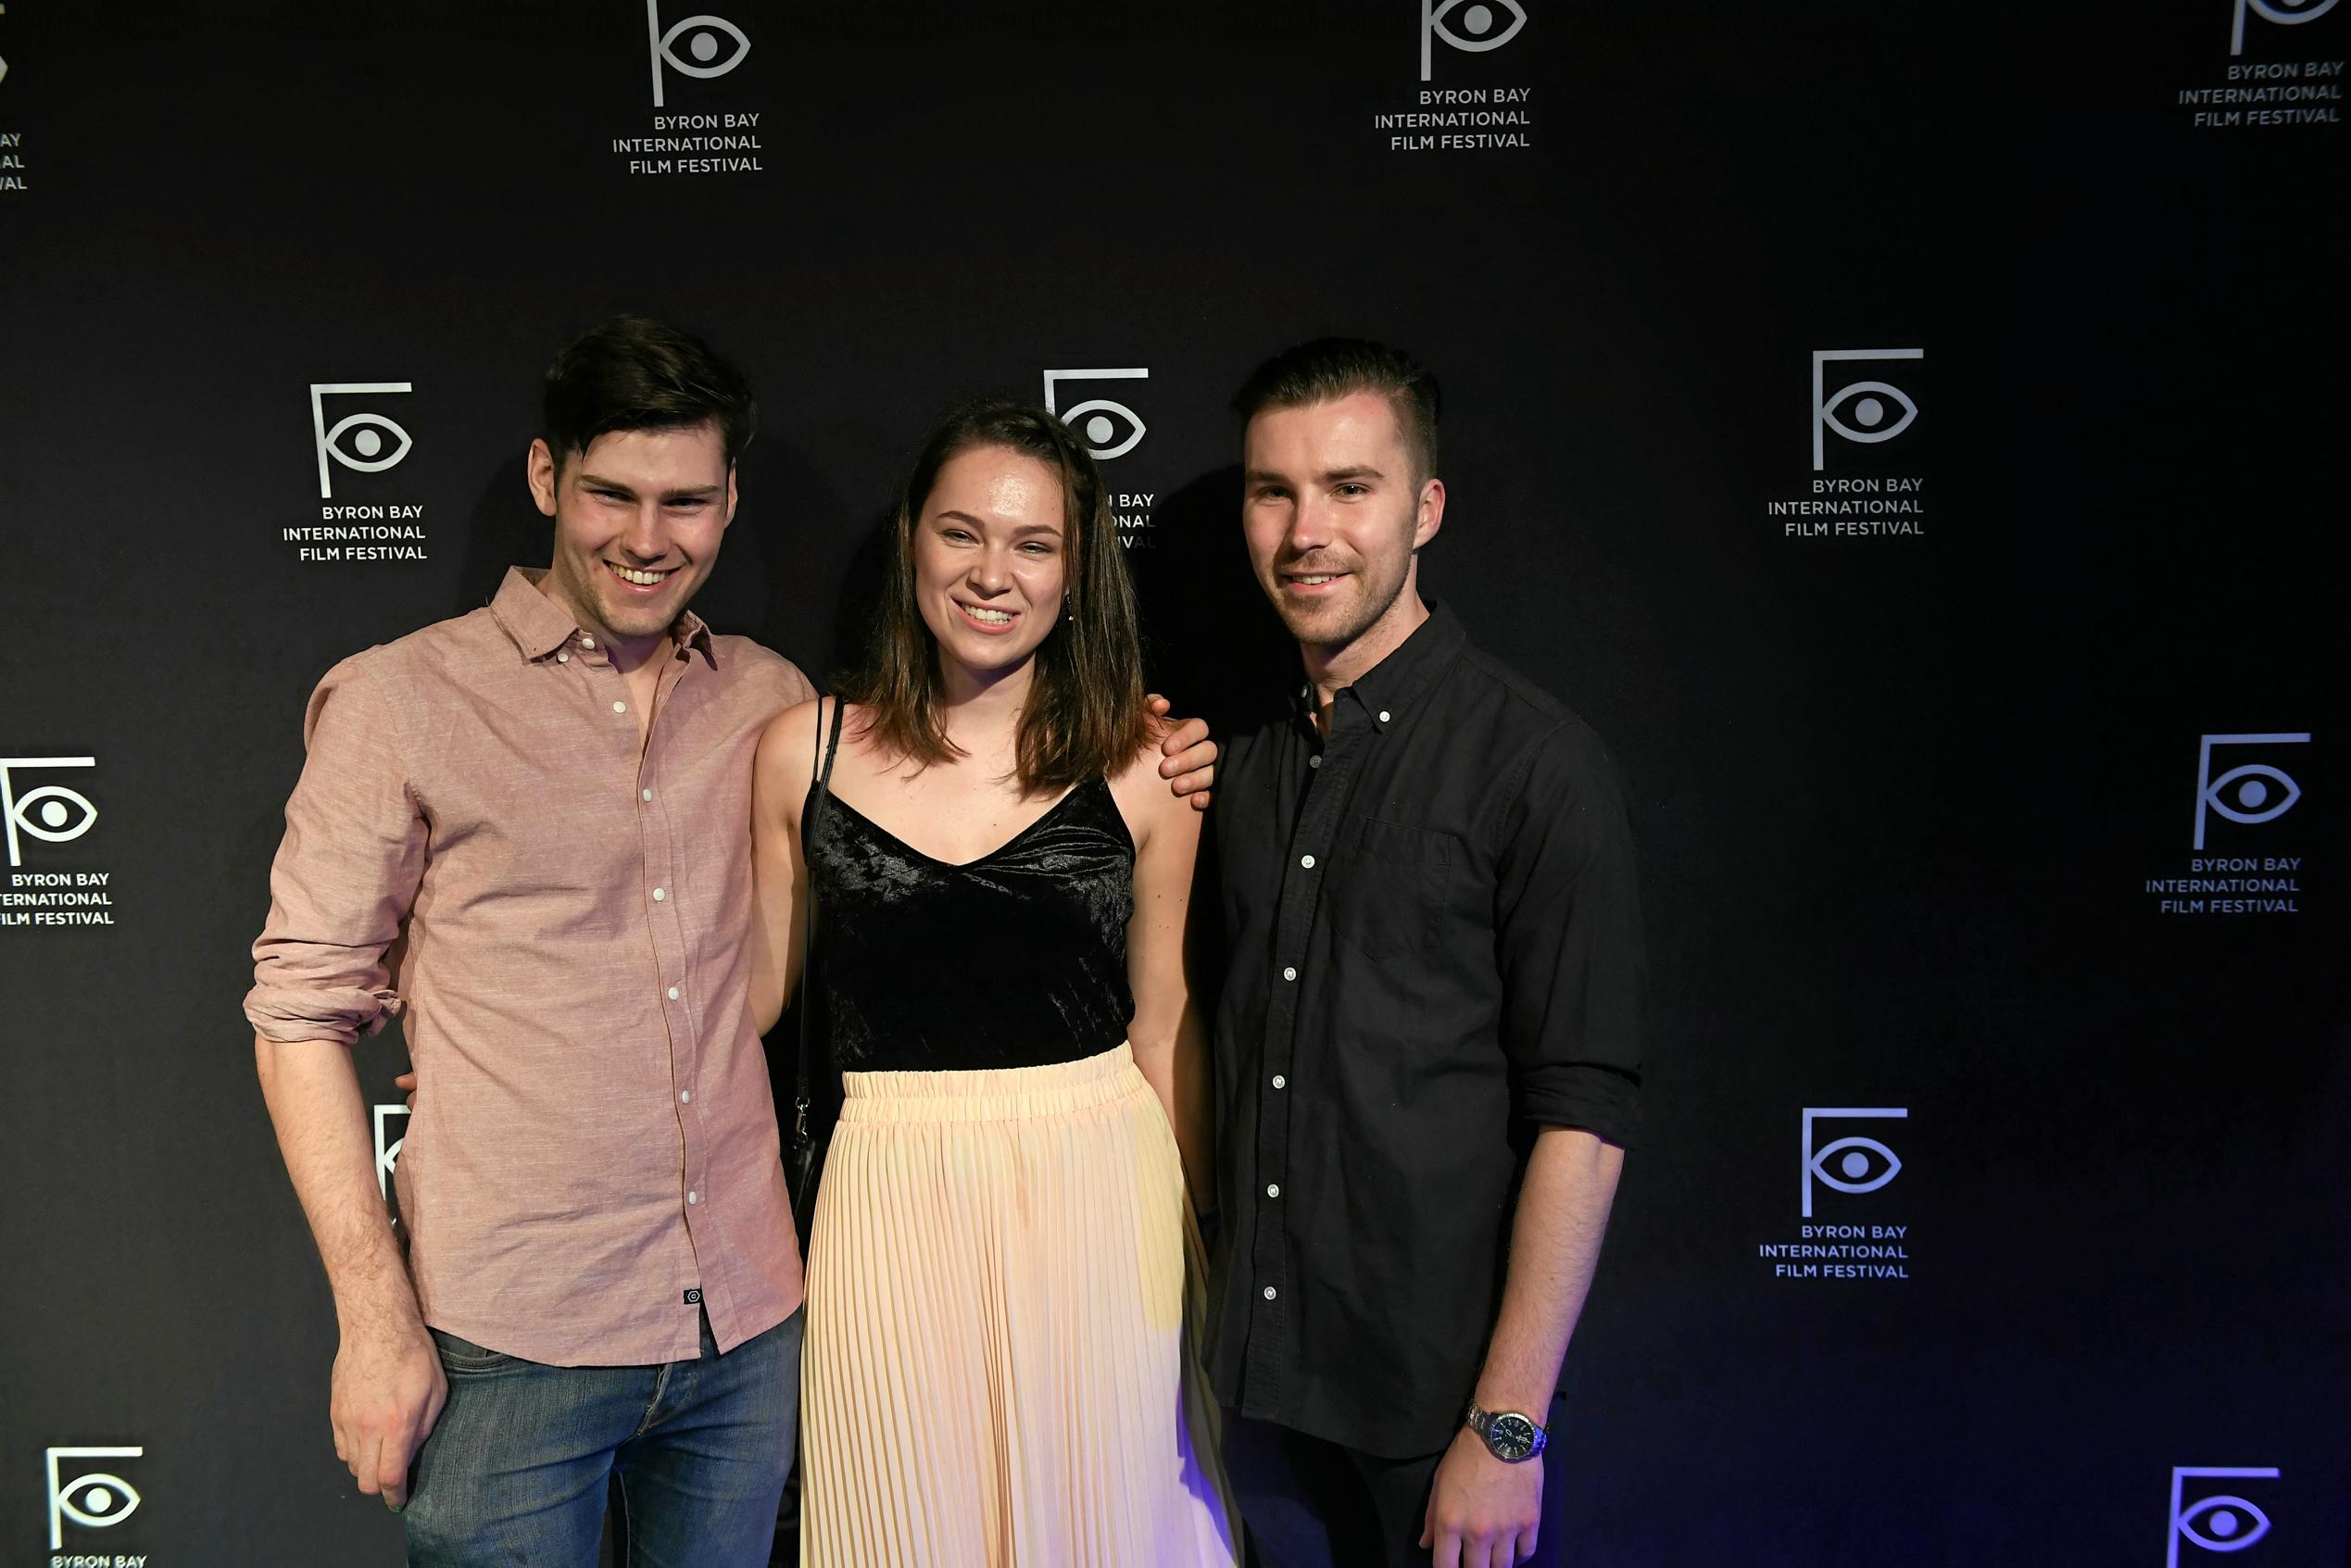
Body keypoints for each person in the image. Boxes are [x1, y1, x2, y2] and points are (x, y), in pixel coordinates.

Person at [245, 319, 1218, 1567]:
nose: (648, 537)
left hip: (747, 1329)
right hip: (515, 1336)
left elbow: (766, 973)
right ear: (548, 479)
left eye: (686, 502)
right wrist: (374, 1312)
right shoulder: (400, 702)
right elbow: (298, 1017)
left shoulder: (768, 702)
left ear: (728, 505)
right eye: (612, 494)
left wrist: (1137, 740)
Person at [747, 399, 1238, 1567]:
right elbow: (747, 1004)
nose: (992, 573)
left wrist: (1204, 1246)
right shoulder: (799, 750)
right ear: (913, 538)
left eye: (1034, 543)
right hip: (886, 1187)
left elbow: (1165, 1018)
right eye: (962, 533)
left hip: (1100, 1189)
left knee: (1107, 1523)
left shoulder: (1149, 763)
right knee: (898, 1521)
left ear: (1077, 572)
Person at [1204, 340, 1644, 1568]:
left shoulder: (1538, 767)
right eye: (1272, 490)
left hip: (1429, 1407)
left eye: (1349, 487)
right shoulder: (1232, 753)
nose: (1306, 531)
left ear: (1424, 508)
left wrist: (1506, 1429)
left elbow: (1584, 1116)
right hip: (1249, 1392)